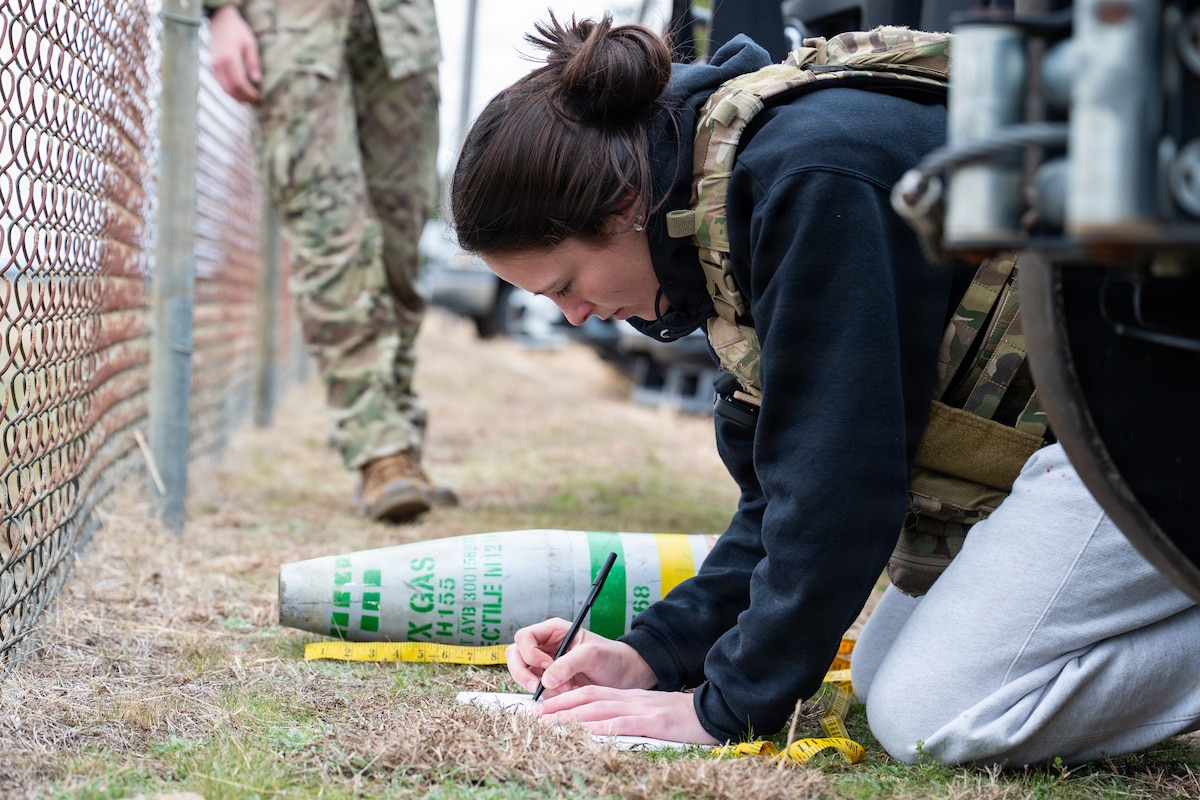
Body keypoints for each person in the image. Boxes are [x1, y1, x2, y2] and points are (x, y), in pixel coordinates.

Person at [448, 12, 1200, 766]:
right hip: (1104, 417)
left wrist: (723, 709)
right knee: (881, 675)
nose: (575, 317)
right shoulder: (712, 202)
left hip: (1149, 412)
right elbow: (789, 496)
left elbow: (842, 482)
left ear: (619, 208)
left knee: (934, 715)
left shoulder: (807, 174)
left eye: (566, 286)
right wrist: (655, 654)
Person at [205, 0, 455, 522]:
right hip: (292, 25)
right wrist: (220, 11)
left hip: (402, 28)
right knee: (332, 239)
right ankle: (379, 451)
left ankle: (401, 444)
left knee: (398, 250)